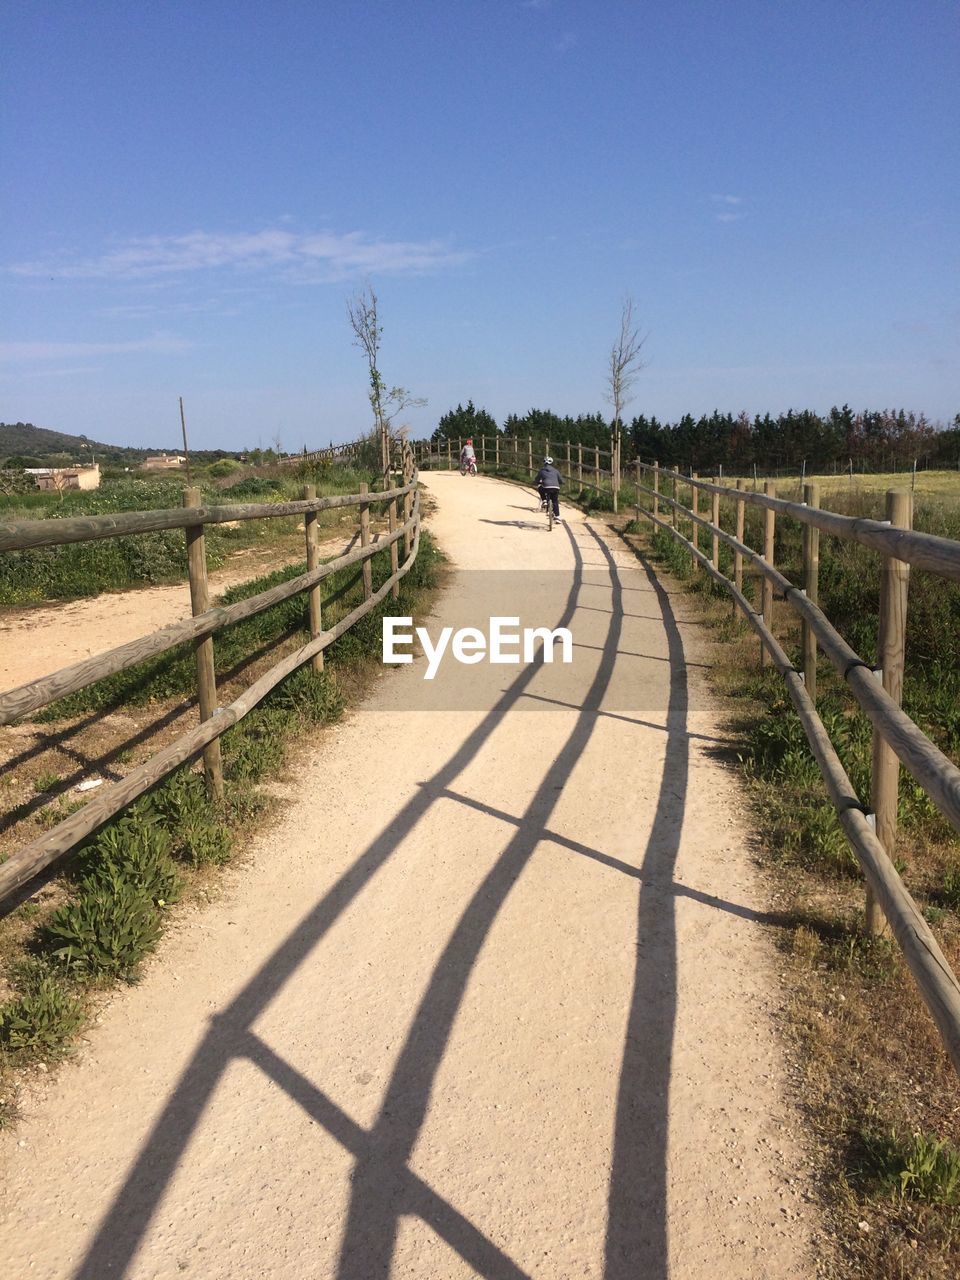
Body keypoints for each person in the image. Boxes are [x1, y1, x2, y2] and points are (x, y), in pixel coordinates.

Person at [534, 456, 562, 520]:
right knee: (555, 501)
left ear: (544, 463)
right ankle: (557, 517)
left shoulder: (542, 471)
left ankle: (544, 501)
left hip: (546, 487)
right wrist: (561, 482)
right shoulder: (556, 471)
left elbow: (537, 479)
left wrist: (535, 482)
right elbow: (561, 480)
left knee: (540, 487)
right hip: (556, 487)